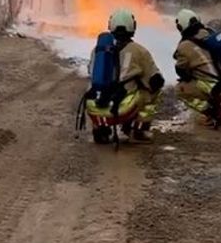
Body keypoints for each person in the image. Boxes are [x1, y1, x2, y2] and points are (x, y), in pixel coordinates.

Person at [86, 8, 164, 143]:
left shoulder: (98, 50)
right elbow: (155, 80)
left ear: (110, 25)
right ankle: (138, 131)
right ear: (132, 27)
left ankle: (99, 129)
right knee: (153, 93)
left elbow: (91, 72)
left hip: (96, 107)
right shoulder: (139, 50)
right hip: (122, 108)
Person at [173, 9, 221, 126]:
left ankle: (211, 112)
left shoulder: (184, 46)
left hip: (213, 85)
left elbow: (181, 71)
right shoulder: (210, 33)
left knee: (180, 89)